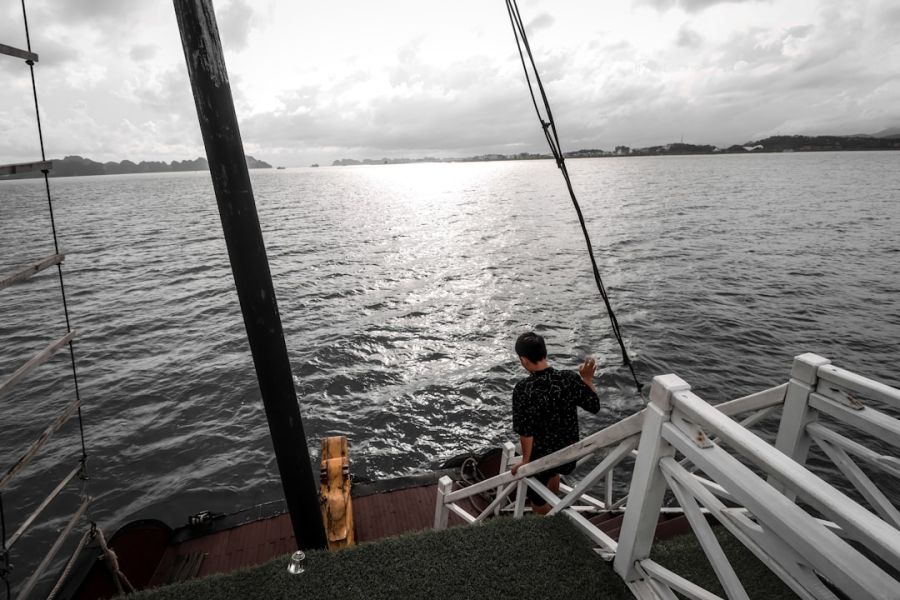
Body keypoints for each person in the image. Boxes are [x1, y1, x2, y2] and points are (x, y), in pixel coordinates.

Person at [510, 331, 600, 515]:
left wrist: (526, 461)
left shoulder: (523, 389)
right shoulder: (568, 378)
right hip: (567, 453)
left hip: (542, 458)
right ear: (545, 353)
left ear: (524, 360)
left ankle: (548, 519)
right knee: (554, 473)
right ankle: (554, 506)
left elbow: (525, 431)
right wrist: (587, 379)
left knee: (536, 500)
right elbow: (594, 406)